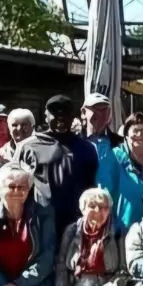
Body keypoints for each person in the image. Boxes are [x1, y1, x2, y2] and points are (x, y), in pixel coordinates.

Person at [19, 96, 93, 226]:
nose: (61, 118)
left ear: (73, 117)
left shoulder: (86, 148)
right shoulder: (30, 147)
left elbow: (91, 185)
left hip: (76, 221)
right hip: (42, 221)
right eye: (55, 114)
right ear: (46, 116)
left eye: (66, 114)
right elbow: (21, 185)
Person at [99, 112, 143, 229]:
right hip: (124, 229)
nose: (139, 135)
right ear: (126, 135)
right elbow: (103, 194)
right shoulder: (114, 158)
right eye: (135, 131)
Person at [81, 93, 123, 164]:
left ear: (109, 113)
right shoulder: (75, 143)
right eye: (95, 108)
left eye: (104, 109)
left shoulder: (120, 143)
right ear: (83, 113)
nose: (99, 113)